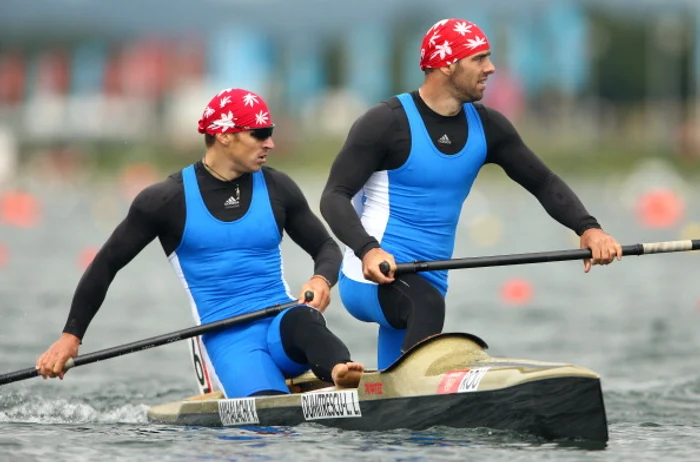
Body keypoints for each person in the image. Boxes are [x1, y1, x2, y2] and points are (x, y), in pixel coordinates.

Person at [320, 18, 623, 370]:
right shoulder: (386, 123)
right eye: (479, 59)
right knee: (425, 306)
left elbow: (543, 182)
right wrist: (368, 250)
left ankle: (393, 407)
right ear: (447, 65)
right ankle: (416, 397)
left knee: (401, 372)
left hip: (430, 277)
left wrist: (589, 228)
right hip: (368, 274)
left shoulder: (488, 127)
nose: (491, 68)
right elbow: (334, 196)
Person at [36, 88, 364, 397]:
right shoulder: (166, 200)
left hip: (284, 324)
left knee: (304, 317)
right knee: (267, 434)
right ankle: (277, 387)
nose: (271, 143)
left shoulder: (279, 187)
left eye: (271, 132)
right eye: (259, 134)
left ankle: (339, 371)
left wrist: (321, 279)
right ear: (224, 135)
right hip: (229, 337)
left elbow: (327, 247)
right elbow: (106, 265)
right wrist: (71, 336)